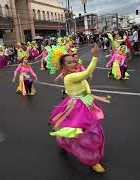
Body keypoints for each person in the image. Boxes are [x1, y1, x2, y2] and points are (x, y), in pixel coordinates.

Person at [48, 44, 109, 173]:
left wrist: (89, 96)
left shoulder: (73, 73)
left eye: (74, 61)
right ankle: (92, 160)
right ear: (63, 66)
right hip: (77, 107)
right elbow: (87, 73)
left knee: (85, 130)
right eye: (69, 62)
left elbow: (85, 82)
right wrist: (94, 57)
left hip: (85, 102)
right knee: (89, 133)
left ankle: (65, 142)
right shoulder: (70, 77)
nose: (73, 63)